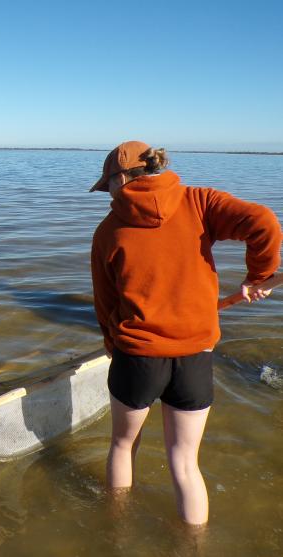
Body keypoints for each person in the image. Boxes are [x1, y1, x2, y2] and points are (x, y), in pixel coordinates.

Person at [89, 140, 281, 526]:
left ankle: (115, 529)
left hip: (138, 356)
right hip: (195, 355)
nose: (106, 193)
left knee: (123, 446)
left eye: (106, 185)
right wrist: (258, 275)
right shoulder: (200, 202)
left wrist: (114, 346)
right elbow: (263, 221)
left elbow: (106, 306)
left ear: (122, 177)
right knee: (185, 462)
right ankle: (192, 545)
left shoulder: (108, 231)